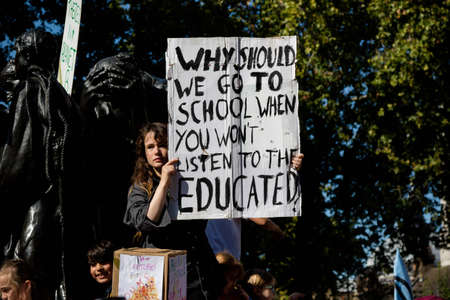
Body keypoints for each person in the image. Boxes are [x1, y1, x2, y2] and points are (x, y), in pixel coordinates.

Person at [123, 122, 219, 300]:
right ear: (144, 153)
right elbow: (145, 221)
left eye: (162, 145)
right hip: (161, 272)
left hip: (198, 270)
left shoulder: (194, 179)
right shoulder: (141, 186)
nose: (157, 152)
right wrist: (165, 181)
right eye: (150, 147)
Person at [205, 153, 304, 261]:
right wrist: (279, 232)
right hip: (223, 260)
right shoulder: (232, 187)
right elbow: (261, 220)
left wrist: (288, 168)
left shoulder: (212, 184)